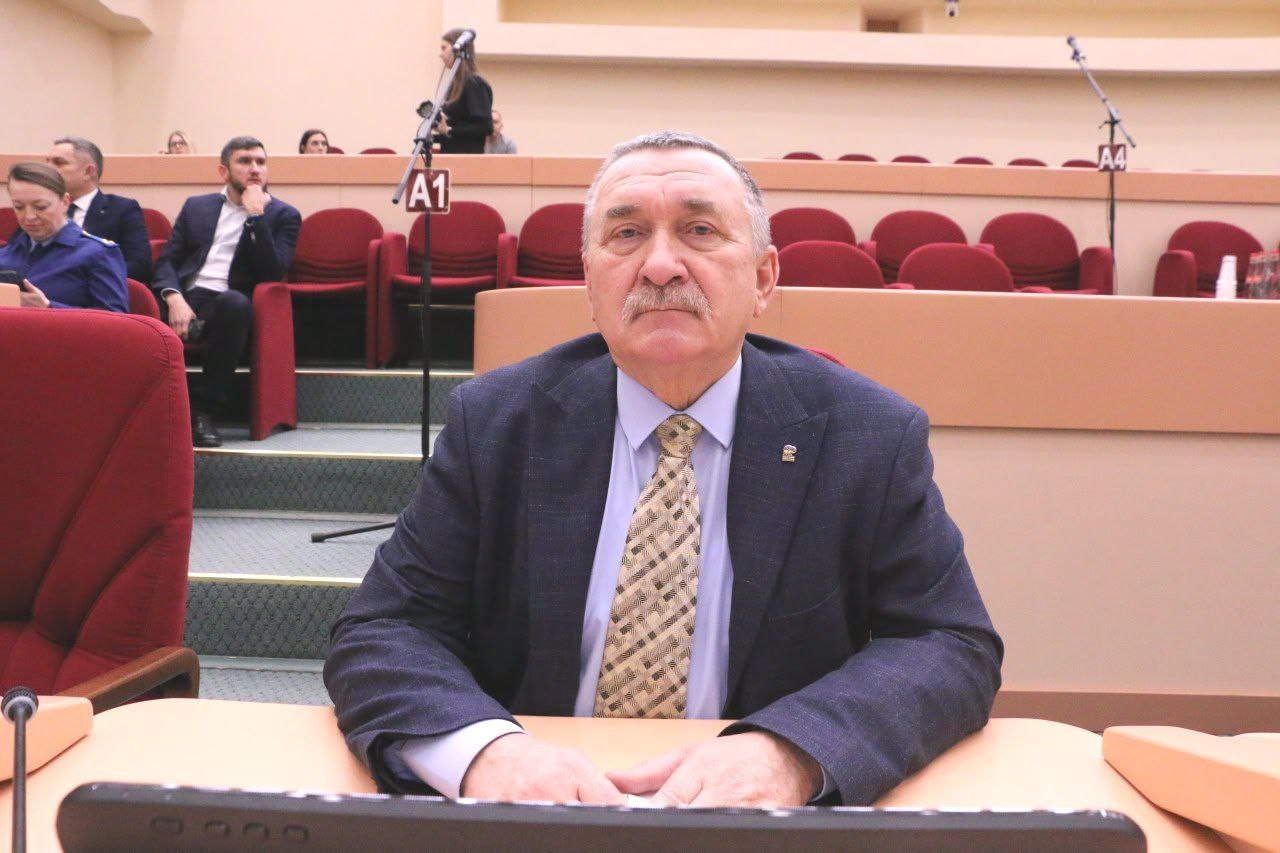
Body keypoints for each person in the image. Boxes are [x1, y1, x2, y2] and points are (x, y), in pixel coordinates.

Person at [325, 131, 1003, 808]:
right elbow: (384, 629)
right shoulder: (496, 424)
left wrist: (794, 751)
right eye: (626, 234)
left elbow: (950, 641)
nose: (659, 266)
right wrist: (485, 752)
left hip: (757, 823)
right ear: (589, 283)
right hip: (536, 815)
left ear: (764, 278)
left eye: (699, 230)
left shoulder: (868, 436)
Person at [153, 136, 301, 448]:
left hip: (229, 304)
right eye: (244, 161)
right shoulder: (197, 207)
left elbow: (272, 273)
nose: (255, 169)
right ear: (224, 171)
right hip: (186, 295)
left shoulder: (283, 215)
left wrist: (256, 217)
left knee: (235, 304)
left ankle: (202, 409)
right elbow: (168, 260)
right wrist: (173, 297)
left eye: (261, 162)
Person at [0, 162, 127, 312]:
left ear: (65, 202)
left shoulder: (97, 253)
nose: (29, 216)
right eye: (19, 207)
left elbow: (116, 320)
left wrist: (49, 307)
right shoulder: (6, 254)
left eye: (41, 207)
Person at [44, 136, 153, 283]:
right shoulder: (40, 208)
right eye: (47, 162)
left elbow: (139, 267)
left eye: (58, 162)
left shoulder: (122, 209)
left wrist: (82, 278)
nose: (47, 169)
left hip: (96, 290)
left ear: (88, 172)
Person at [433, 28, 493, 154]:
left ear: (456, 49)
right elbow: (457, 130)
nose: (440, 54)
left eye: (444, 48)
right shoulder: (453, 84)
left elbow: (485, 127)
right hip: (451, 156)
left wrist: (449, 130)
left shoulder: (474, 83)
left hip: (467, 159)